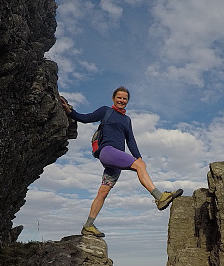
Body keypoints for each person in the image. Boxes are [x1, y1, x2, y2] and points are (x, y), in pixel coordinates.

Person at [59, 86, 183, 237]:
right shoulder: (106, 111)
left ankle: (88, 225)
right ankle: (159, 197)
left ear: (127, 101)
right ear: (113, 98)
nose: (121, 101)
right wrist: (70, 111)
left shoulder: (127, 120)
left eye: (125, 99)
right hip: (107, 152)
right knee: (138, 166)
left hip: (115, 163)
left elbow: (130, 139)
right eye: (119, 98)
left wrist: (139, 157)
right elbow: (86, 118)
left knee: (103, 192)